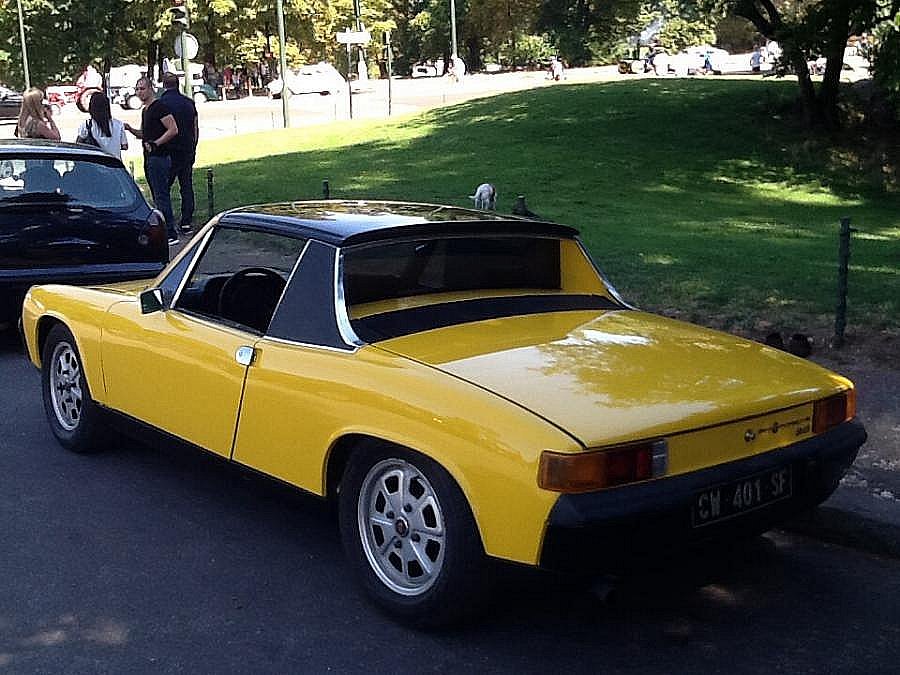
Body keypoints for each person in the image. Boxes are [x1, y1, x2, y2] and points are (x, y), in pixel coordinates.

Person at [124, 76, 180, 244]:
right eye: (137, 89)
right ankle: (164, 229)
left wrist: (156, 143)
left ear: (150, 89)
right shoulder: (145, 110)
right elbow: (145, 133)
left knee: (162, 196)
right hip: (149, 157)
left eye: (142, 89)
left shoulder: (159, 107)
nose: (139, 92)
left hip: (160, 157)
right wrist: (130, 129)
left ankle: (170, 232)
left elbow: (173, 129)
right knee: (157, 195)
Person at [160, 73, 198, 233]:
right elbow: (195, 127)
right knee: (186, 185)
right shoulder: (189, 103)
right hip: (187, 149)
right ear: (178, 84)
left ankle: (166, 221)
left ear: (164, 85)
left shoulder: (161, 104)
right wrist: (194, 145)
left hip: (168, 151)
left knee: (164, 188)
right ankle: (186, 221)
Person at [75, 91, 128, 160]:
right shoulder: (118, 124)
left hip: (96, 164)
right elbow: (125, 146)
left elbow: (78, 144)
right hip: (115, 164)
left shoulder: (86, 125)